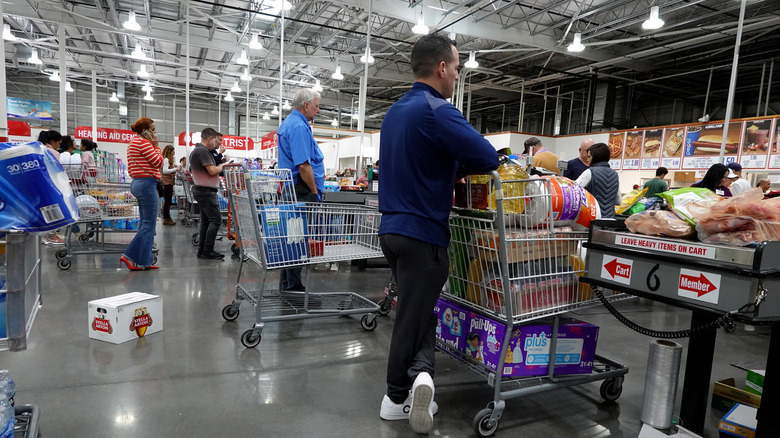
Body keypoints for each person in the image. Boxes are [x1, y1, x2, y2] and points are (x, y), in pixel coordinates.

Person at [377, 33, 498, 434]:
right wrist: (456, 165)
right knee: (412, 318)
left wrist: (445, 166)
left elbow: (418, 162)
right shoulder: (438, 110)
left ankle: (421, 376)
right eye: (458, 68)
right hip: (422, 235)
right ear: (442, 68)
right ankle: (395, 397)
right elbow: (485, 155)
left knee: (421, 309)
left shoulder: (395, 112)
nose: (458, 76)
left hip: (392, 231)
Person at [277, 88, 324, 292]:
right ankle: (293, 287)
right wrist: (314, 192)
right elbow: (303, 165)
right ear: (306, 106)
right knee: (297, 239)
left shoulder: (292, 123)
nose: (318, 110)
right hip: (300, 189)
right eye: (316, 106)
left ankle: (288, 283)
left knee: (292, 237)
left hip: (293, 188)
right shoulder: (298, 126)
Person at [121, 117, 163, 270]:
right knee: (149, 224)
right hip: (146, 183)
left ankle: (144, 260)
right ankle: (129, 256)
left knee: (145, 222)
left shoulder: (134, 142)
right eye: (152, 129)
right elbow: (158, 162)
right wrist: (157, 146)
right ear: (144, 131)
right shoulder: (144, 143)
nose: (155, 132)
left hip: (139, 182)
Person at [189, 127, 225, 259]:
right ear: (210, 138)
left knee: (205, 221)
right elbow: (211, 171)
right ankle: (208, 250)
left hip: (201, 190)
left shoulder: (196, 151)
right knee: (216, 220)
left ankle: (203, 250)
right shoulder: (203, 152)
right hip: (206, 192)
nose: (217, 144)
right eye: (215, 141)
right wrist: (222, 166)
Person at [575, 142, 620, 219]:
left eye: (589, 157)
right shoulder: (615, 174)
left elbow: (574, 191)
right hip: (610, 219)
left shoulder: (590, 172)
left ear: (595, 157)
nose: (587, 159)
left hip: (593, 218)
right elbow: (618, 202)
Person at [160, 145, 179, 225]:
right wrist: (175, 169)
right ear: (169, 151)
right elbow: (165, 171)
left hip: (168, 183)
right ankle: (166, 217)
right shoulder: (166, 160)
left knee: (168, 201)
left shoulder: (166, 160)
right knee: (168, 201)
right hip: (167, 183)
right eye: (173, 152)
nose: (173, 154)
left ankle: (167, 216)